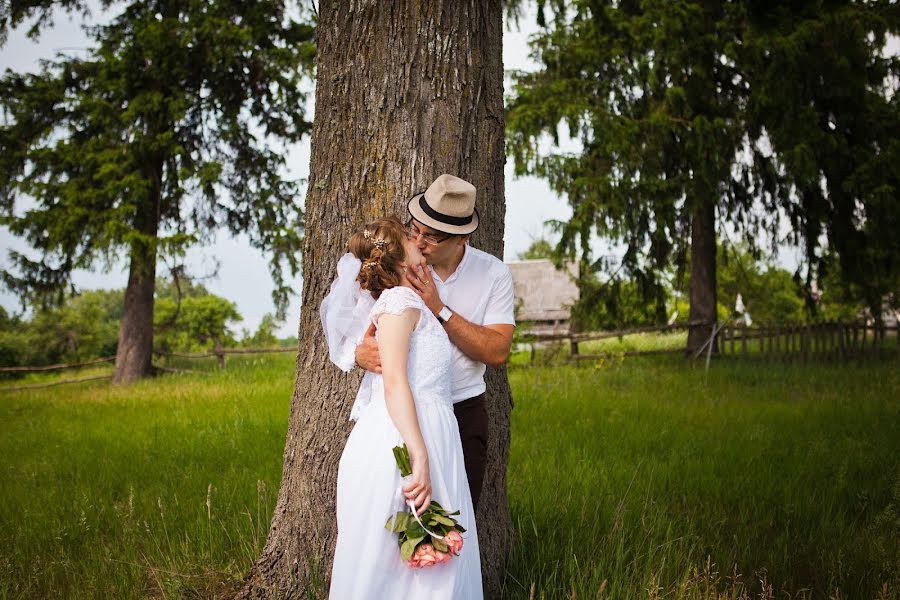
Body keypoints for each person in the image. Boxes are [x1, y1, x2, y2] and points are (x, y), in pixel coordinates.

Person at [322, 216, 483, 599]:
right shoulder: (397, 303)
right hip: (403, 439)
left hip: (431, 429)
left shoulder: (410, 301)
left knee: (429, 565)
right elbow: (394, 381)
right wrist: (419, 453)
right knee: (388, 569)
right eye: (410, 237)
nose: (419, 242)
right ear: (397, 255)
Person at [355, 174, 516, 510]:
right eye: (416, 230)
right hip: (404, 414)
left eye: (431, 236)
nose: (419, 240)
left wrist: (439, 309)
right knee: (403, 516)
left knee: (456, 515)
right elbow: (359, 332)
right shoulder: (394, 266)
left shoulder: (493, 274)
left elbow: (498, 351)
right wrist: (359, 353)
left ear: (462, 237)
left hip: (463, 408)